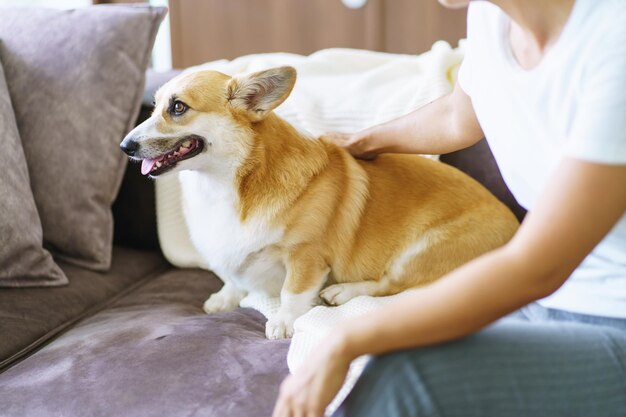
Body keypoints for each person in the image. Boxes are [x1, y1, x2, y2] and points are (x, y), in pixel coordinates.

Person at [272, 0, 626, 416]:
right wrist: (364, 142)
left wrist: (349, 338)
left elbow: (537, 268)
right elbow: (459, 117)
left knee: (410, 376)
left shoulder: (613, 43)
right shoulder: (492, 17)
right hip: (547, 305)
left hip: (611, 315)